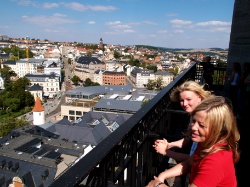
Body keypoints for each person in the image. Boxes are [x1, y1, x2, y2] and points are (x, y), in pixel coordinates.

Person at [147, 96, 240, 187]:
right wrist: (163, 175)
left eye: (201, 125)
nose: (194, 127)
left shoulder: (216, 161)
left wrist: (157, 185)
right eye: (194, 121)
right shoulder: (207, 143)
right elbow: (188, 163)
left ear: (218, 129)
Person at [153, 80, 213, 186]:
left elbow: (193, 159)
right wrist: (170, 145)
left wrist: (166, 152)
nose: (184, 104)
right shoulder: (199, 115)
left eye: (188, 99)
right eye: (181, 100)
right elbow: (189, 141)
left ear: (200, 97)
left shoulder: (207, 121)